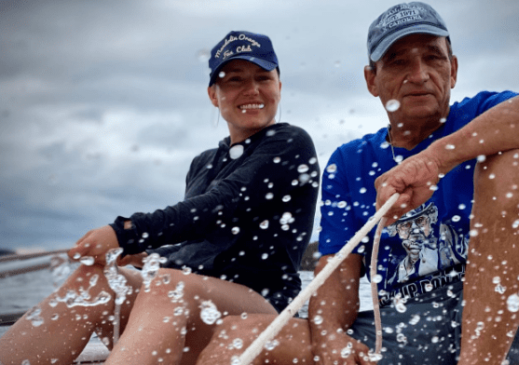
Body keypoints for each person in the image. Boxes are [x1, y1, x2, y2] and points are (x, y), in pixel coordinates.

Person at [195, 3, 519, 365]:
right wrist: (330, 336)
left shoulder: (481, 115)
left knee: (517, 162)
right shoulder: (350, 162)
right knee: (238, 335)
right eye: (397, 63)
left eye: (433, 57)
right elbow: (338, 269)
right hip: (408, 331)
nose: (418, 75)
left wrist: (435, 159)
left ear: (453, 69)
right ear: (372, 80)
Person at [0, 30, 320, 365]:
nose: (251, 89)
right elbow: (207, 246)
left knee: (170, 285)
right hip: (191, 311)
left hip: (264, 315)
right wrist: (147, 254)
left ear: (279, 87)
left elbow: (219, 207)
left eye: (263, 78)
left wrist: (124, 232)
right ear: (214, 94)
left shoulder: (290, 143)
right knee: (95, 278)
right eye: (235, 80)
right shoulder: (204, 163)